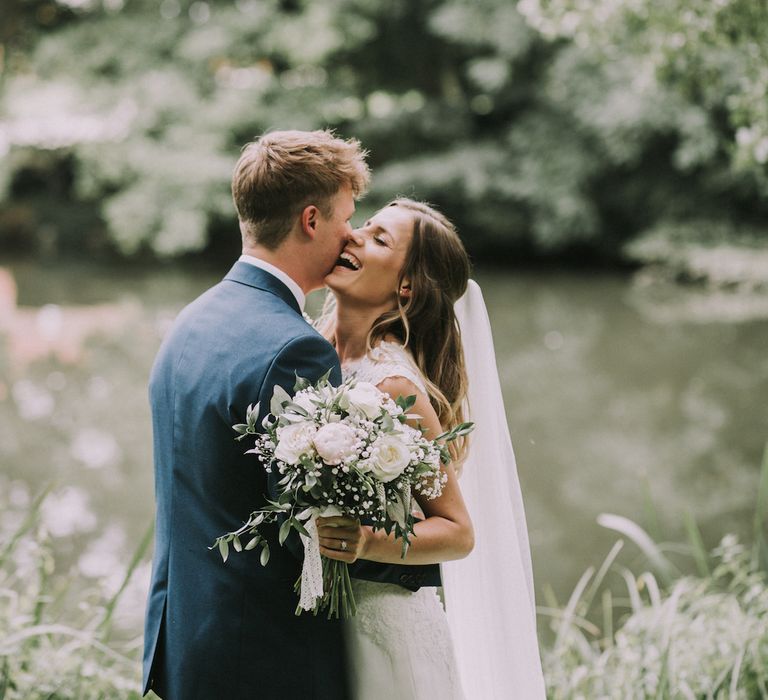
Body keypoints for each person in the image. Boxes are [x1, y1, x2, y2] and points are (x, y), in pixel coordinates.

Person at [142, 131, 438, 700]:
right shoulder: (296, 349)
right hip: (261, 660)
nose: (352, 234)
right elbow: (312, 530)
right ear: (310, 220)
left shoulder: (191, 320)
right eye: (348, 218)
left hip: (183, 638)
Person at [316, 198, 547, 699]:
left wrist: (368, 541)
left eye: (379, 239)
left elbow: (457, 532)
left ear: (407, 286)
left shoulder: (393, 385)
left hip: (382, 630)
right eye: (365, 225)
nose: (354, 235)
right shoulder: (309, 348)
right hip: (318, 624)